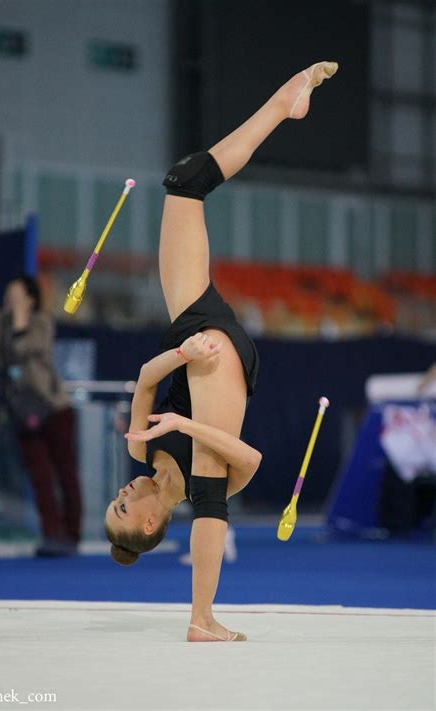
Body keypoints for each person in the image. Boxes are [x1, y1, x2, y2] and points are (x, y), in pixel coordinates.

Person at [104, 61, 338, 641]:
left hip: (198, 332)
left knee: (186, 181)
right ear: (152, 521)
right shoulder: (210, 483)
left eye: (114, 501)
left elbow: (144, 376)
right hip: (226, 372)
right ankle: (201, 619)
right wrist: (185, 420)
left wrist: (183, 353)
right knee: (211, 475)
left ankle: (285, 102)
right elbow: (251, 459)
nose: (123, 493)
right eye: (123, 509)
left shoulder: (141, 450)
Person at [0, 276, 82, 556]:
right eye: (8, 294)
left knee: (65, 473)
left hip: (53, 407)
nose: (10, 299)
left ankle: (72, 534)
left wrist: (19, 320)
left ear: (30, 299)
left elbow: (25, 349)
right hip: (22, 410)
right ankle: (52, 535)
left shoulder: (42, 322)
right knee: (39, 475)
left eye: (16, 295)